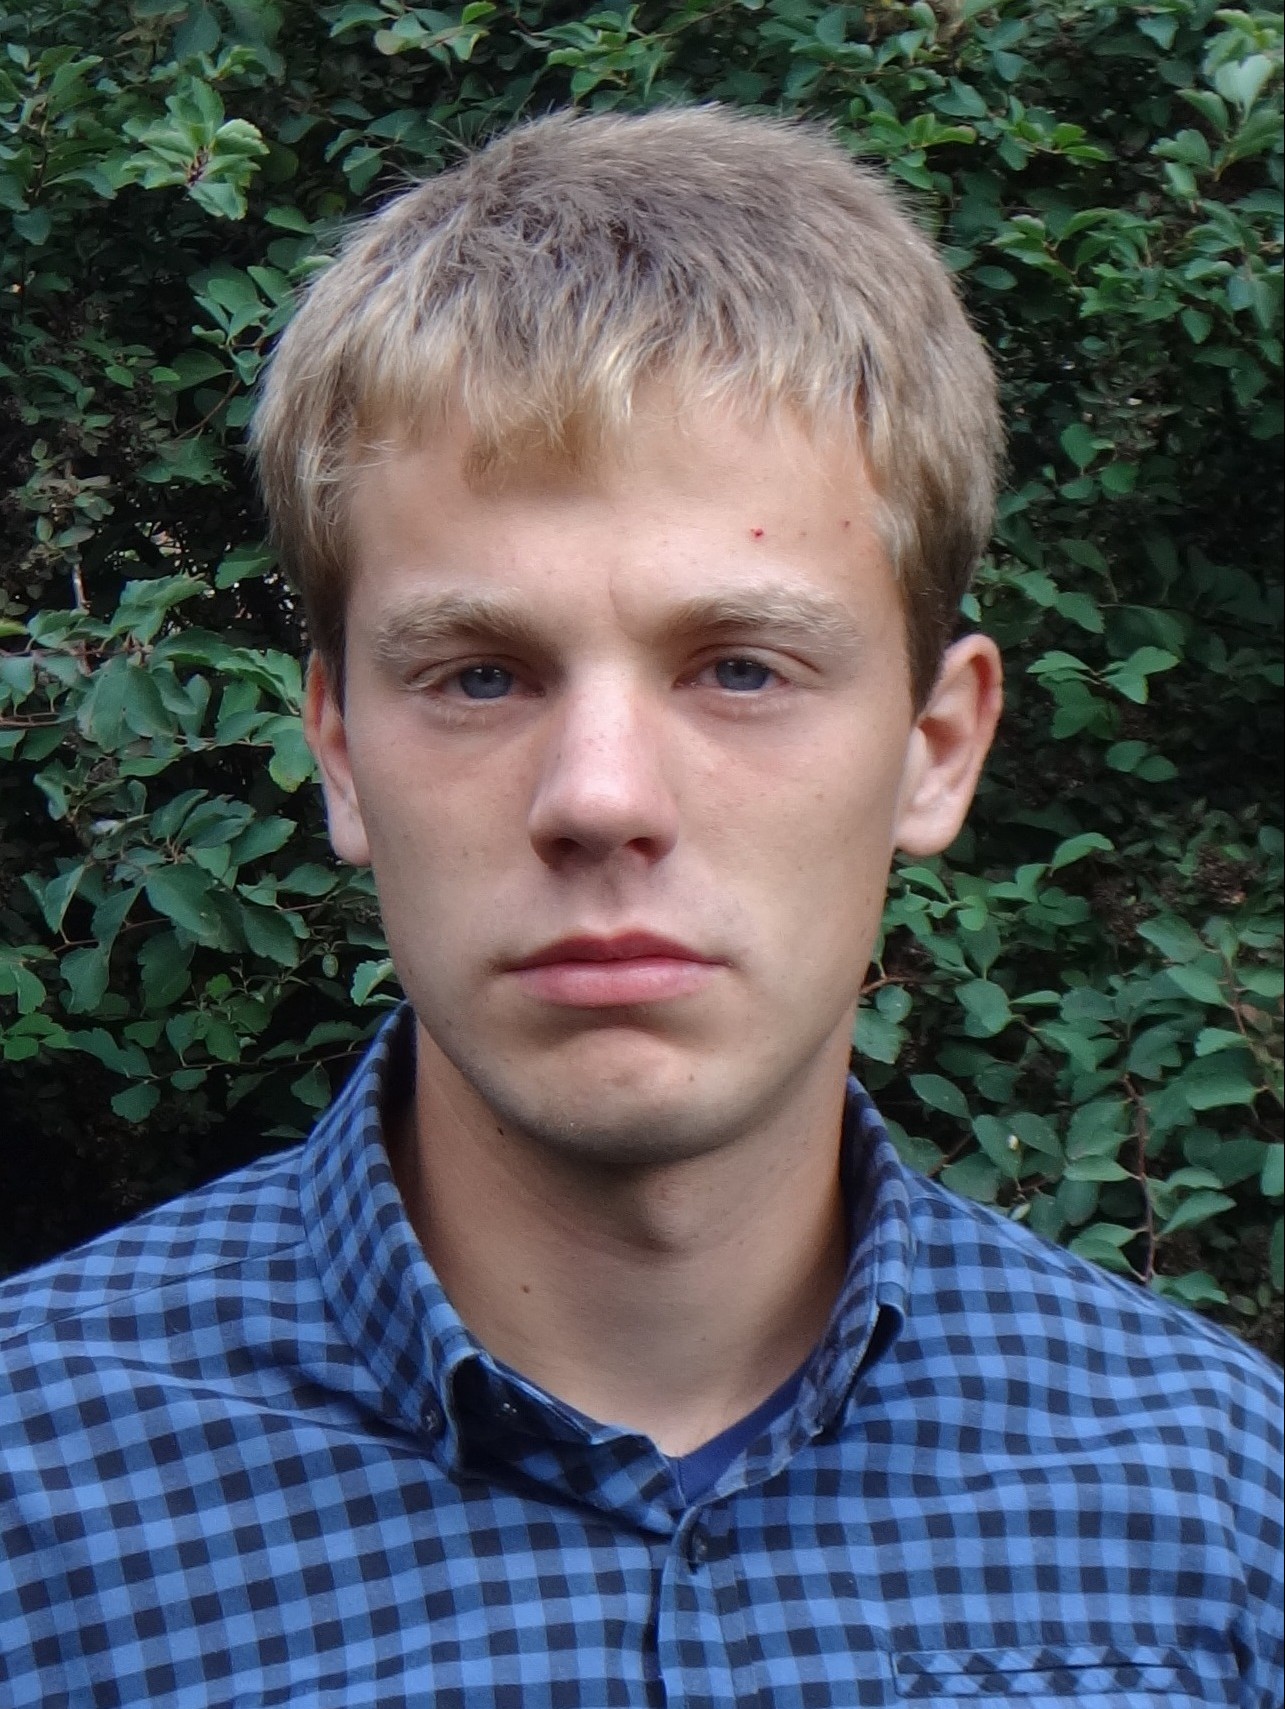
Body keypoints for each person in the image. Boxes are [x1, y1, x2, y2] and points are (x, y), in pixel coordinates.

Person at [1, 107, 1280, 1709]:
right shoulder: (33, 1500)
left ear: (934, 748)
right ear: (337, 749)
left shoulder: (1219, 1500)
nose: (599, 796)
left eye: (740, 667)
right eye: (479, 675)